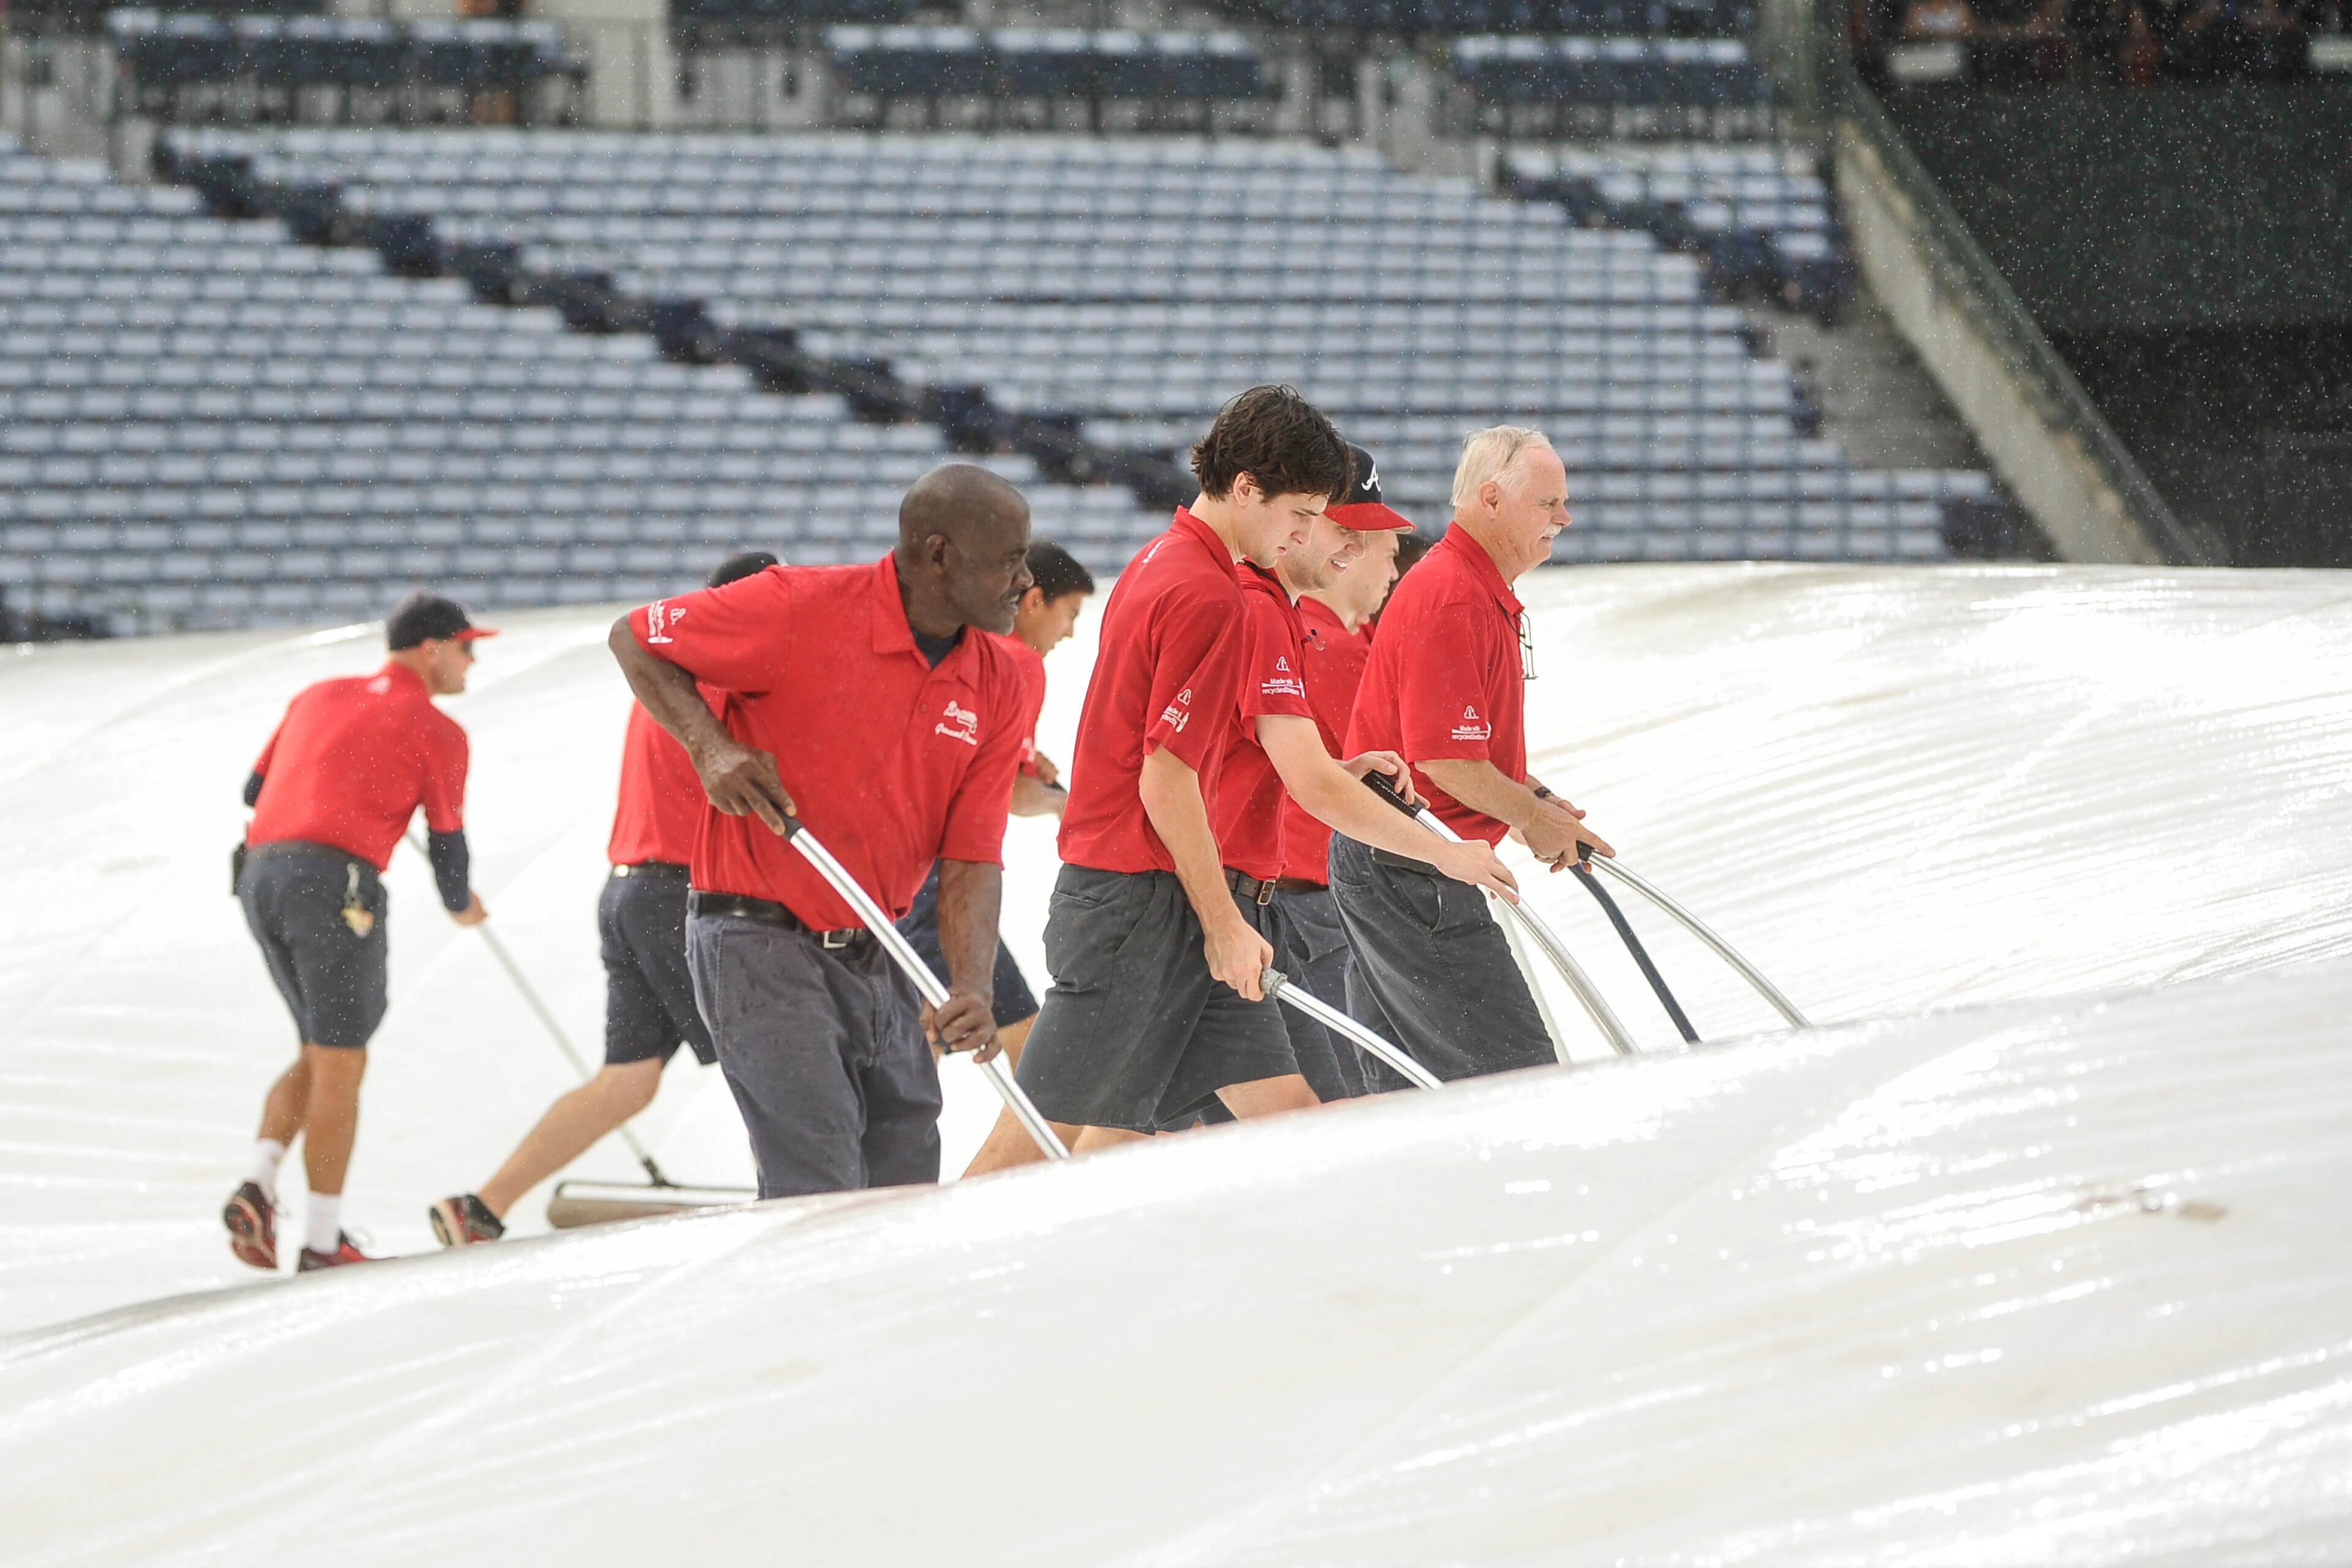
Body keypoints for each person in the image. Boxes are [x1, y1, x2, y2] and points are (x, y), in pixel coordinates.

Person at [609, 465, 1038, 1199]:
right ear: (938, 554)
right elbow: (635, 638)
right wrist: (710, 746)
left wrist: (969, 983)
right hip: (756, 942)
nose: (1024, 581)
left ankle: (878, 1314)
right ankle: (806, 1310)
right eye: (1007, 559)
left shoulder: (1007, 678)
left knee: (903, 1173)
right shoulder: (795, 606)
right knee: (822, 1185)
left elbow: (972, 852)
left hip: (882, 950)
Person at [429, 551, 778, 1248]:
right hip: (681, 893)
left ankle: (481, 1208)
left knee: (627, 1081)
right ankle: (791, 1204)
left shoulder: (668, 677)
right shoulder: (730, 684)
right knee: (765, 1054)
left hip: (629, 892)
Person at [1329, 426, 1615, 1087]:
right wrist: (1535, 819)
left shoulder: (1468, 590)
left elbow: (1464, 754)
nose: (1564, 519)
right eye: (1549, 504)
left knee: (1411, 1090)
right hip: (1410, 866)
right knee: (1513, 1076)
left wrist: (1538, 807)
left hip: (1396, 860)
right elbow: (1446, 762)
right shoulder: (1454, 594)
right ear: (1491, 499)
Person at [221, 592, 492, 1273]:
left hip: (261, 875)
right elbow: (450, 848)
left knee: (318, 1050)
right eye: (467, 647)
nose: (473, 661)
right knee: (344, 1061)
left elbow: (256, 789)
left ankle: (258, 1182)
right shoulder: (440, 732)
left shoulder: (317, 694)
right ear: (431, 648)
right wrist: (461, 905)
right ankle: (320, 1242)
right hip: (334, 888)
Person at [892, 539, 1095, 1072]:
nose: (1071, 632)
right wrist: (1063, 805)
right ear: (1034, 602)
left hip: (898, 866)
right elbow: (1005, 795)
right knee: (1022, 1037)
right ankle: (1032, 1153)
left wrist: (1028, 773)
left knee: (923, 1031)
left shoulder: (968, 652)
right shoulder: (1020, 662)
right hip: (938, 877)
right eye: (1069, 614)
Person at [1267, 450, 1416, 1099]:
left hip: (1290, 891)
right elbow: (1384, 777)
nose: (1389, 571)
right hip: (1313, 894)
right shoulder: (1322, 642)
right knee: (1355, 1090)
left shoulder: (1305, 630)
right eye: (1386, 553)